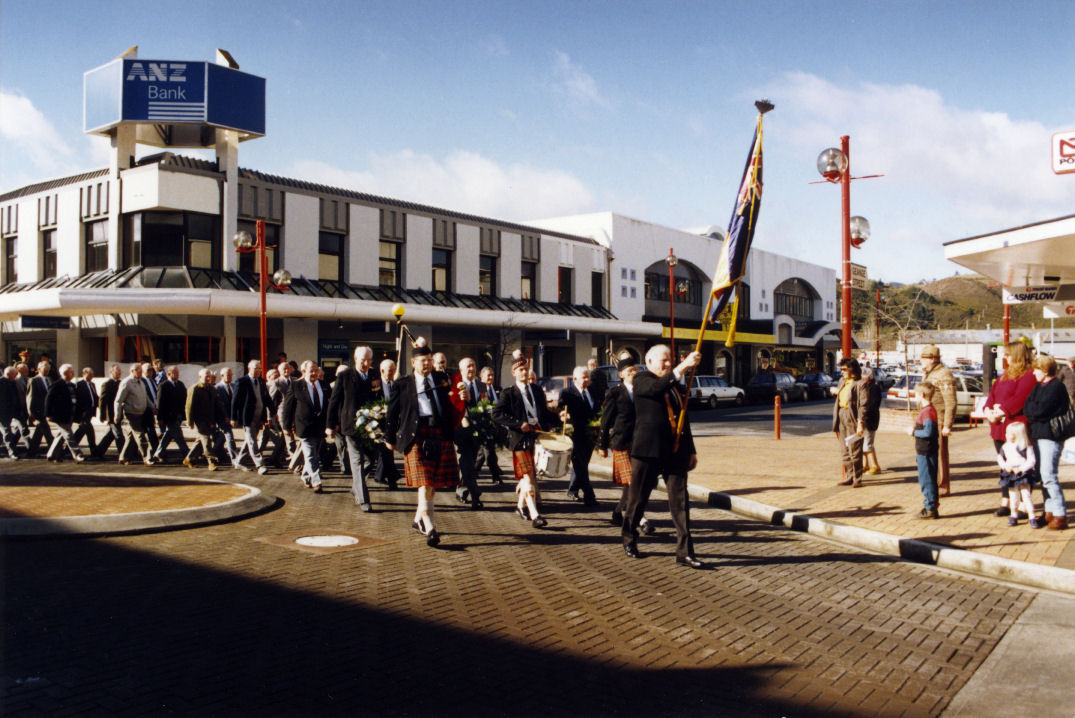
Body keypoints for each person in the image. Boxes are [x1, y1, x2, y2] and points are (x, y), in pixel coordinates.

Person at [620, 345, 704, 569]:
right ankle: (629, 537)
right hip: (648, 450)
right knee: (638, 499)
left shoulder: (674, 386)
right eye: (663, 360)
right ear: (649, 362)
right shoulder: (642, 380)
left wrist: (691, 450)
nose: (668, 364)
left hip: (675, 452)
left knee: (680, 502)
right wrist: (683, 366)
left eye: (670, 360)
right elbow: (656, 389)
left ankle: (685, 552)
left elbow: (683, 418)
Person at [386, 339, 462, 546]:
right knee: (425, 483)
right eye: (422, 360)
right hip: (416, 436)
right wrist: (389, 438)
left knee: (432, 485)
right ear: (413, 363)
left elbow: (453, 401)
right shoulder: (402, 384)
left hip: (439, 433)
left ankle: (418, 519)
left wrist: (463, 396)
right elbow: (392, 413)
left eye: (429, 360)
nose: (427, 364)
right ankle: (429, 525)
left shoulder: (441, 379)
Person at [492, 354, 558, 529]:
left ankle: (520, 507)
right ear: (514, 372)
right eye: (520, 369)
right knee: (528, 475)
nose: (524, 372)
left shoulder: (536, 390)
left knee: (529, 475)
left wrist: (559, 417)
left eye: (526, 369)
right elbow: (496, 414)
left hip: (536, 436)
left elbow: (544, 413)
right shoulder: (508, 393)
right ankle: (535, 515)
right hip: (520, 439)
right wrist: (518, 424)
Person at [599, 351, 653, 533]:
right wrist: (602, 445)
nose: (633, 373)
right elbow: (606, 420)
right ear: (621, 374)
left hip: (640, 443)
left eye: (635, 370)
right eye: (629, 371)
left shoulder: (642, 392)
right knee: (633, 482)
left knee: (631, 484)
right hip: (621, 443)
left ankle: (617, 512)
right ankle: (642, 519)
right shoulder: (614, 392)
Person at [983, 341, 1037, 517]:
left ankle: (1023, 503)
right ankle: (1006, 501)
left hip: (1017, 426)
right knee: (1005, 464)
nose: (1005, 357)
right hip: (1000, 427)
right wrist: (988, 410)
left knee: (1022, 464)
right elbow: (992, 396)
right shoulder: (1005, 375)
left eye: (1008, 354)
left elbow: (1020, 398)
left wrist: (1000, 411)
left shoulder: (1029, 375)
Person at [327, 346, 379, 511]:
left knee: (370, 460)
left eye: (369, 360)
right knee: (357, 462)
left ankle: (356, 485)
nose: (366, 363)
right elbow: (334, 401)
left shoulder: (374, 375)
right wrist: (330, 425)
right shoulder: (344, 376)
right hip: (351, 425)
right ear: (356, 359)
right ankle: (363, 500)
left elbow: (378, 397)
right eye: (363, 360)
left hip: (370, 426)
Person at [1023, 355, 1069, 530]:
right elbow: (1028, 407)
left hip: (1051, 437)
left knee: (1049, 476)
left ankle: (1060, 514)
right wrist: (1033, 412)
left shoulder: (1056, 387)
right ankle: (1049, 511)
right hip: (1038, 434)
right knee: (1043, 476)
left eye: (1036, 369)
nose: (1034, 373)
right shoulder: (1038, 386)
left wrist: (1034, 412)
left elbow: (1041, 410)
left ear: (1045, 370)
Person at [282, 361, 329, 493]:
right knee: (311, 456)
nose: (314, 373)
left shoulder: (324, 385)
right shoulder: (296, 385)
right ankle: (316, 481)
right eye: (311, 371)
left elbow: (330, 406)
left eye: (316, 370)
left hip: (320, 427)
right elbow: (288, 407)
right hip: (304, 426)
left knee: (314, 453)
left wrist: (332, 424)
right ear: (304, 372)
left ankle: (305, 476)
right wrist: (286, 426)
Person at [919, 346, 958, 496]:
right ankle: (933, 484)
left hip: (939, 421)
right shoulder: (929, 374)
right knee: (929, 454)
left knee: (940, 454)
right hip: (928, 420)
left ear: (933, 359)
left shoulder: (944, 374)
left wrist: (947, 425)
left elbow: (951, 402)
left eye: (924, 358)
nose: (921, 361)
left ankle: (942, 485)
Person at [558, 365, 599, 507]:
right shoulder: (567, 392)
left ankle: (573, 489)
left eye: (588, 377)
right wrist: (563, 414)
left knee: (582, 464)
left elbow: (597, 408)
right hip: (575, 434)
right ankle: (589, 496)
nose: (587, 380)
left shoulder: (592, 391)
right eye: (584, 377)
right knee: (580, 464)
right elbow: (561, 407)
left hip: (590, 434)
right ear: (575, 379)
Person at [450, 357, 484, 508]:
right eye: (468, 366)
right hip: (461, 430)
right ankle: (476, 495)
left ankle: (461, 490)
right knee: (466, 462)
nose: (471, 369)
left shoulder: (481, 385)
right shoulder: (455, 385)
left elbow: (487, 406)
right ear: (461, 370)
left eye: (473, 365)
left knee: (471, 463)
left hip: (477, 430)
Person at [995, 422, 1042, 528]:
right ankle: (1013, 515)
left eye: (1009, 433)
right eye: (1006, 433)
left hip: (1023, 474)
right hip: (1010, 473)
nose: (1006, 435)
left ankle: (1032, 516)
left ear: (1018, 435)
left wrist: (1021, 469)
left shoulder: (1026, 447)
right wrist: (1005, 466)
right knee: (1013, 495)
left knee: (1026, 495)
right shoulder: (1005, 446)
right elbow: (1000, 458)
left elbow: (1031, 461)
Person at [832, 358, 868, 488]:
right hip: (841, 414)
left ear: (852, 369)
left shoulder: (860, 384)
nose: (841, 372)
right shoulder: (842, 381)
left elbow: (863, 405)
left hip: (852, 416)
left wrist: (860, 422)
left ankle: (857, 478)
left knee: (855, 448)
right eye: (840, 369)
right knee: (844, 449)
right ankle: (849, 476)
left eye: (844, 369)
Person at [232, 359, 272, 475]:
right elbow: (235, 401)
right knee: (252, 441)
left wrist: (272, 412)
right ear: (249, 369)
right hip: (248, 417)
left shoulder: (261, 381)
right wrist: (233, 417)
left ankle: (239, 461)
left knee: (250, 440)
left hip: (259, 416)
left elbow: (266, 398)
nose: (258, 371)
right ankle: (260, 465)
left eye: (260, 368)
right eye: (256, 368)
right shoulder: (241, 381)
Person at [44, 363, 89, 463]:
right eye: (71, 371)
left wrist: (81, 411)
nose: (73, 373)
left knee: (61, 435)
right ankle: (77, 454)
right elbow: (48, 400)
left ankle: (51, 455)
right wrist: (48, 414)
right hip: (60, 416)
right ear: (65, 373)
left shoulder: (72, 385)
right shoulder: (57, 385)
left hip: (69, 415)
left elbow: (76, 400)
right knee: (69, 435)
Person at [908, 381, 940, 519]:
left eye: (916, 393)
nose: (915, 396)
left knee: (926, 480)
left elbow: (928, 432)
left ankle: (930, 508)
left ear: (922, 394)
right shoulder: (929, 410)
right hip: (925, 450)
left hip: (926, 451)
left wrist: (913, 432)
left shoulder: (927, 412)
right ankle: (930, 505)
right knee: (928, 479)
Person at [115, 363, 153, 466]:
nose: (140, 372)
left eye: (141, 370)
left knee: (131, 437)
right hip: (130, 414)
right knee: (140, 435)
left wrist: (152, 407)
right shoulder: (126, 383)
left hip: (140, 413)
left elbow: (145, 397)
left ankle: (124, 457)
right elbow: (118, 400)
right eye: (138, 370)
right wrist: (117, 415)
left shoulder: (141, 382)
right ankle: (146, 457)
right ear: (132, 371)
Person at [184, 368, 220, 470]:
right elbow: (189, 406)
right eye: (206, 376)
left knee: (200, 441)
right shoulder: (195, 388)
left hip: (209, 420)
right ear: (200, 377)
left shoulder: (212, 389)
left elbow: (216, 404)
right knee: (206, 440)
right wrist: (189, 421)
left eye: (209, 376)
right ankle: (211, 462)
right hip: (199, 420)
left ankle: (189, 458)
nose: (208, 378)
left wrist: (223, 417)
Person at [372, 358, 400, 489]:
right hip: (378, 423)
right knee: (385, 451)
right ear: (382, 371)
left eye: (394, 370)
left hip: (392, 423)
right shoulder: (375, 385)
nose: (392, 373)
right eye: (390, 370)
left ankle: (380, 476)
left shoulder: (396, 384)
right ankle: (392, 479)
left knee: (386, 451)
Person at [474, 366, 504, 484]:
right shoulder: (480, 389)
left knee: (483, 452)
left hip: (496, 425)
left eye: (492, 375)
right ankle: (495, 476)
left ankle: (473, 471)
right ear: (481, 376)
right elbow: (481, 406)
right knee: (489, 451)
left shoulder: (497, 389)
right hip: (484, 425)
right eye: (488, 375)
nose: (491, 377)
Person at [153, 366, 189, 462]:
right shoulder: (163, 386)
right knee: (179, 435)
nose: (177, 375)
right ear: (169, 374)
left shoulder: (180, 385)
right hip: (168, 416)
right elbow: (160, 403)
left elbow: (184, 399)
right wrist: (159, 418)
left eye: (177, 373)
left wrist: (184, 414)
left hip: (178, 415)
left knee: (168, 434)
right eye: (175, 373)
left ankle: (158, 454)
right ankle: (187, 453)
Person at [94, 364, 124, 459]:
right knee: (118, 435)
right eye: (117, 371)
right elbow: (102, 401)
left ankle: (98, 452)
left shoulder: (121, 383)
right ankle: (124, 454)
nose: (119, 372)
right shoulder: (107, 384)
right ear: (111, 372)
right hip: (111, 414)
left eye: (120, 371)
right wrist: (102, 415)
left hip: (119, 413)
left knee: (110, 435)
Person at [215, 366, 241, 468]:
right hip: (222, 417)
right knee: (229, 437)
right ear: (222, 376)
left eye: (231, 375)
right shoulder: (217, 388)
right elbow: (217, 405)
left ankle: (214, 453)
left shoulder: (234, 386)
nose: (230, 377)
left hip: (232, 416)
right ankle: (235, 459)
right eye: (228, 375)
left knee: (222, 437)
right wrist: (224, 416)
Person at [26, 360, 54, 457]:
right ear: (39, 369)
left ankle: (32, 452)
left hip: (46, 410)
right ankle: (54, 450)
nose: (47, 371)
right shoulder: (34, 380)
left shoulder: (49, 380)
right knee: (46, 431)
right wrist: (31, 412)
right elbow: (30, 397)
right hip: (38, 410)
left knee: (39, 431)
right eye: (45, 369)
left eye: (48, 369)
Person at [70, 367, 100, 457]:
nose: (92, 376)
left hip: (91, 410)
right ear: (84, 374)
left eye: (92, 374)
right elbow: (79, 399)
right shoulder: (79, 384)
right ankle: (94, 450)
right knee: (89, 430)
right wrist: (81, 410)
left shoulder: (92, 384)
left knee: (81, 431)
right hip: (84, 411)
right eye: (90, 374)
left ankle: (69, 448)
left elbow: (94, 396)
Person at [0, 366, 28, 459]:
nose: (16, 376)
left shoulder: (13, 382)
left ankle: (11, 447)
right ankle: (12, 452)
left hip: (14, 410)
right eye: (14, 375)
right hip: (3, 412)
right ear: (8, 374)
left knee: (19, 429)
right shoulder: (1, 382)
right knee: (7, 432)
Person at [860, 367, 883, 474]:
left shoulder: (874, 388)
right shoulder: (864, 386)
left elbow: (873, 405)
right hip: (864, 419)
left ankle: (875, 465)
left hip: (870, 419)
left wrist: (863, 413)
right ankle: (866, 464)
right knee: (863, 443)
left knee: (868, 444)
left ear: (867, 377)